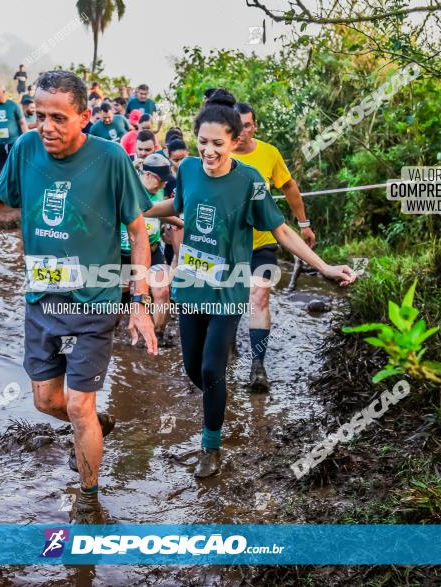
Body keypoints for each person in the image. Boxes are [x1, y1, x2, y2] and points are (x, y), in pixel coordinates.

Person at [0, 71, 157, 524]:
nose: (47, 127)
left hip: (95, 298)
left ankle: (89, 499)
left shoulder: (111, 158)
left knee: (78, 403)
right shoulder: (25, 150)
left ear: (84, 116)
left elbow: (138, 233)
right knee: (47, 402)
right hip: (42, 299)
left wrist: (140, 301)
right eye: (39, 116)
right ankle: (99, 426)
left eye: (59, 117)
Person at [144, 91, 356, 479]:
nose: (209, 152)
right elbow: (175, 207)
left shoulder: (249, 181)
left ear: (235, 140)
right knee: (194, 369)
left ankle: (211, 446)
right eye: (203, 143)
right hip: (190, 286)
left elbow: (281, 230)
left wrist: (323, 267)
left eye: (218, 144)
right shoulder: (188, 169)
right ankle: (218, 403)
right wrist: (139, 208)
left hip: (227, 290)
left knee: (211, 369)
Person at [230, 102, 316, 393]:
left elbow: (289, 186)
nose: (242, 132)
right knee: (229, 303)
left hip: (263, 242)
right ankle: (226, 344)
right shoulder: (217, 153)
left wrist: (303, 224)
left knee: (259, 298)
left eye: (248, 125)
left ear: (255, 126)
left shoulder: (269, 154)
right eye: (237, 125)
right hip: (226, 247)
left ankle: (258, 364)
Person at [119, 153, 182, 343]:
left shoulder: (165, 189)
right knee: (116, 306)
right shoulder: (127, 187)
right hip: (123, 256)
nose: (164, 185)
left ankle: (157, 336)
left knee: (162, 291)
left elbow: (156, 211)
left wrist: (181, 223)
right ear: (147, 175)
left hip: (153, 251)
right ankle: (113, 336)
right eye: (161, 181)